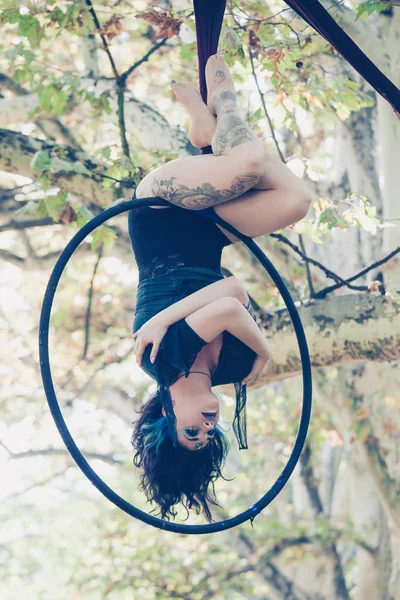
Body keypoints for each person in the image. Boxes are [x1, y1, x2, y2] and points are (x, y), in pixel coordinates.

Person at [128, 54, 311, 521]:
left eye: (193, 434)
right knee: (296, 201)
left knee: (248, 164)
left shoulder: (161, 361)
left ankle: (220, 108)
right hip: (208, 234)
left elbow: (231, 304)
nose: (208, 428)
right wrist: (263, 353)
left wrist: (167, 318)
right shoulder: (231, 367)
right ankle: (207, 137)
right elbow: (236, 294)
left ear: (167, 417)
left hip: (162, 214)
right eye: (211, 437)